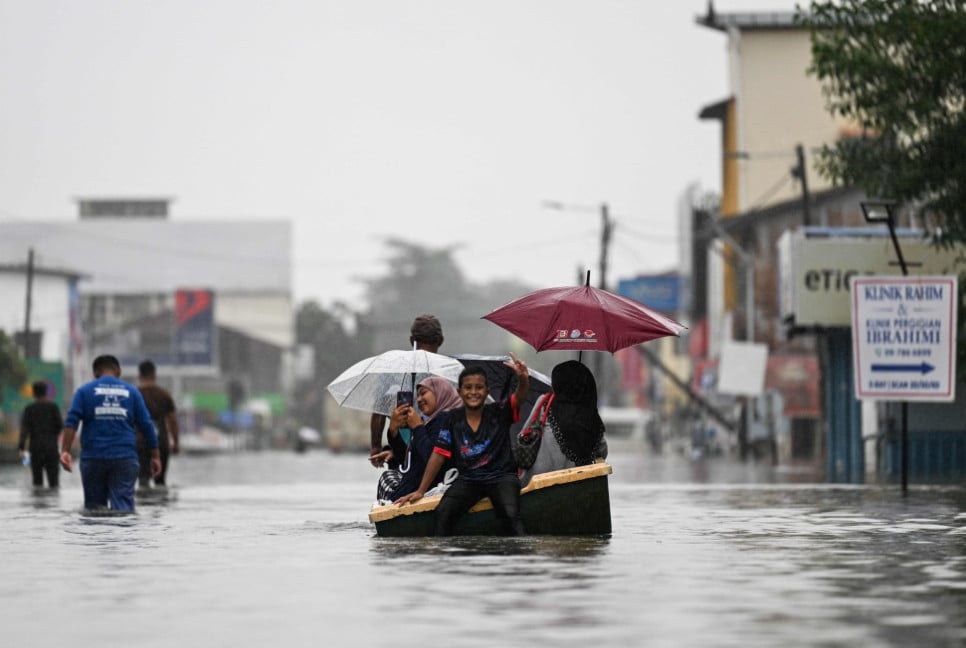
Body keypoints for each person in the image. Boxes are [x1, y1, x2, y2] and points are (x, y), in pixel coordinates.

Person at [395, 353, 529, 536]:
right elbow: (438, 454)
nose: (473, 392)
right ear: (459, 392)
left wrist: (522, 380)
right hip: (470, 480)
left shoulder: (498, 412)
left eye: (479, 388)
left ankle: (518, 556)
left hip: (501, 477)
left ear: (487, 391)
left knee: (510, 514)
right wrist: (421, 491)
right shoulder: (452, 419)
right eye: (468, 388)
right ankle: (445, 559)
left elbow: (518, 398)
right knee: (443, 513)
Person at [60, 354, 160, 513]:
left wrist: (65, 451)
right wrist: (155, 456)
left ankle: (99, 537)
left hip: (93, 459)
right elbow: (146, 425)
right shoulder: (132, 392)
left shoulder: (84, 392)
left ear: (96, 374)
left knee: (94, 510)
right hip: (125, 458)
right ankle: (121, 536)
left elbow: (71, 421)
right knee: (123, 510)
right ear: (118, 372)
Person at [368, 314, 444, 468]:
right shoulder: (446, 372)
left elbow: (379, 410)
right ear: (441, 341)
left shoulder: (392, 369)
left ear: (411, 340)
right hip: (433, 449)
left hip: (402, 448)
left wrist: (375, 446)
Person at [518, 360, 607, 488]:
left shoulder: (545, 403)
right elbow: (602, 451)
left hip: (538, 483)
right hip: (577, 484)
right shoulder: (590, 415)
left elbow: (524, 435)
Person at [374, 376, 461, 502]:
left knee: (386, 477)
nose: (419, 400)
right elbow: (409, 461)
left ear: (440, 393)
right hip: (416, 486)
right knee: (392, 474)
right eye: (417, 396)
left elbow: (433, 457)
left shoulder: (445, 419)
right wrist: (393, 431)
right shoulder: (432, 421)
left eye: (423, 393)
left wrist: (417, 427)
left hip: (423, 490)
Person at [136, 359, 180, 488]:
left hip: (140, 443)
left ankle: (145, 507)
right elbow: (173, 421)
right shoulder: (164, 395)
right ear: (154, 375)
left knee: (143, 482)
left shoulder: (134, 395)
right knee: (160, 482)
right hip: (161, 443)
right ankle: (160, 507)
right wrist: (176, 442)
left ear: (139, 376)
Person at [18, 380, 64, 489]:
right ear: (46, 392)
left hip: (35, 448)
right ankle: (55, 505)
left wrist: (21, 448)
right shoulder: (53, 407)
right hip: (51, 448)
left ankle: (38, 503)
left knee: (37, 482)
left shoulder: (29, 409)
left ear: (33, 393)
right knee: (54, 483)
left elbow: (24, 430)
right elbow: (60, 425)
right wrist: (52, 436)